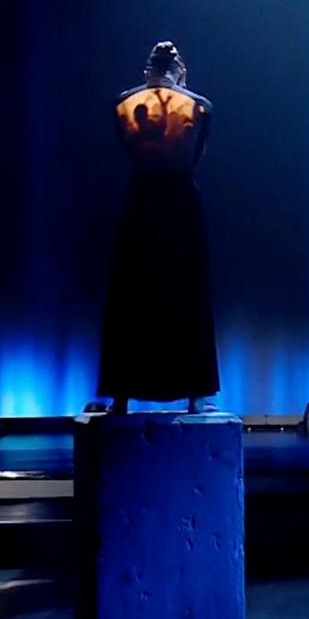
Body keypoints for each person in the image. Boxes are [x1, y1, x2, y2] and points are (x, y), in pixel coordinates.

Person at [97, 41, 220, 414]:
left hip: (142, 198)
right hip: (179, 200)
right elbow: (196, 155)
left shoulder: (123, 102)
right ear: (180, 71)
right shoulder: (199, 105)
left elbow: (126, 147)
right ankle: (195, 395)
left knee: (131, 294)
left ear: (147, 71)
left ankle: (121, 395)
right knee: (188, 294)